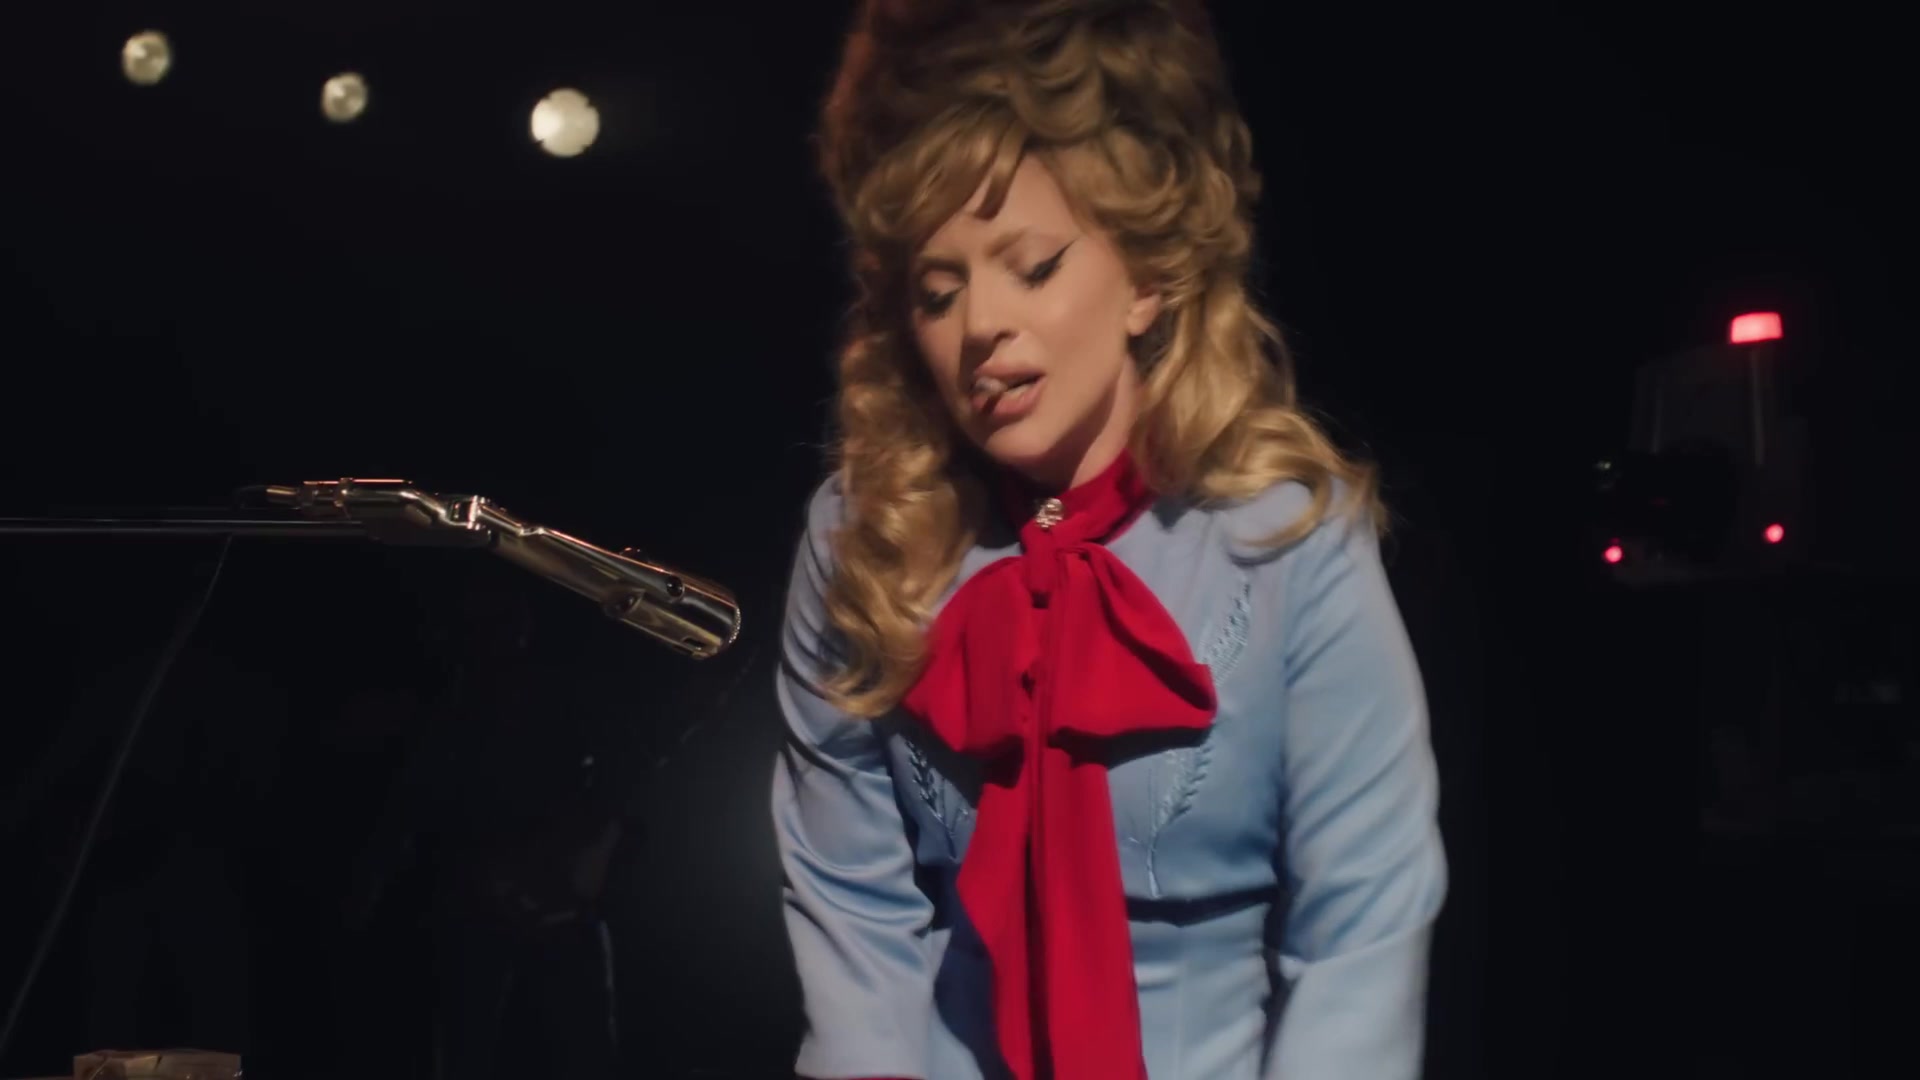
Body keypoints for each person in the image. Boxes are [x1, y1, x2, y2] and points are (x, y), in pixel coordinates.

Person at [771, 2, 1447, 1078]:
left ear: (1146, 277)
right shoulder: (864, 539)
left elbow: (1363, 924)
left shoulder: (1284, 538)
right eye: (939, 292)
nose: (981, 325)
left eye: (1032, 267)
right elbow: (849, 908)